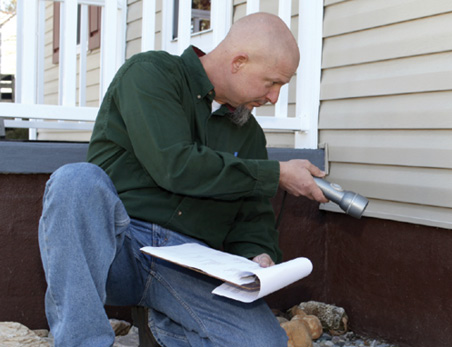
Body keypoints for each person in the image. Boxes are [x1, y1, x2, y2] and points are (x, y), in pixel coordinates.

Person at [38, 12, 327, 346]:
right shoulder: (151, 74)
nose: (274, 97)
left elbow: (253, 219)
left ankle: (164, 325)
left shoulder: (250, 135)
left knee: (264, 342)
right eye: (272, 82)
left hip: (189, 265)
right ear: (238, 62)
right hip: (118, 248)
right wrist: (276, 174)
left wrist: (258, 255)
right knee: (75, 181)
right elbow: (174, 165)